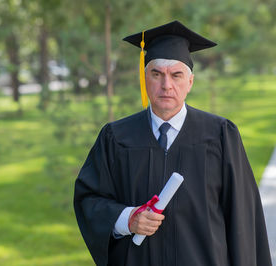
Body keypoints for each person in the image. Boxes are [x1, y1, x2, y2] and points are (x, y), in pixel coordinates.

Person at [73, 21, 272, 266]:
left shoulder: (220, 135)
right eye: (156, 74)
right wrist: (127, 219)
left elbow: (243, 218)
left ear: (190, 82)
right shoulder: (116, 137)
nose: (166, 85)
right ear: (145, 78)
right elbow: (89, 199)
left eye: (176, 75)